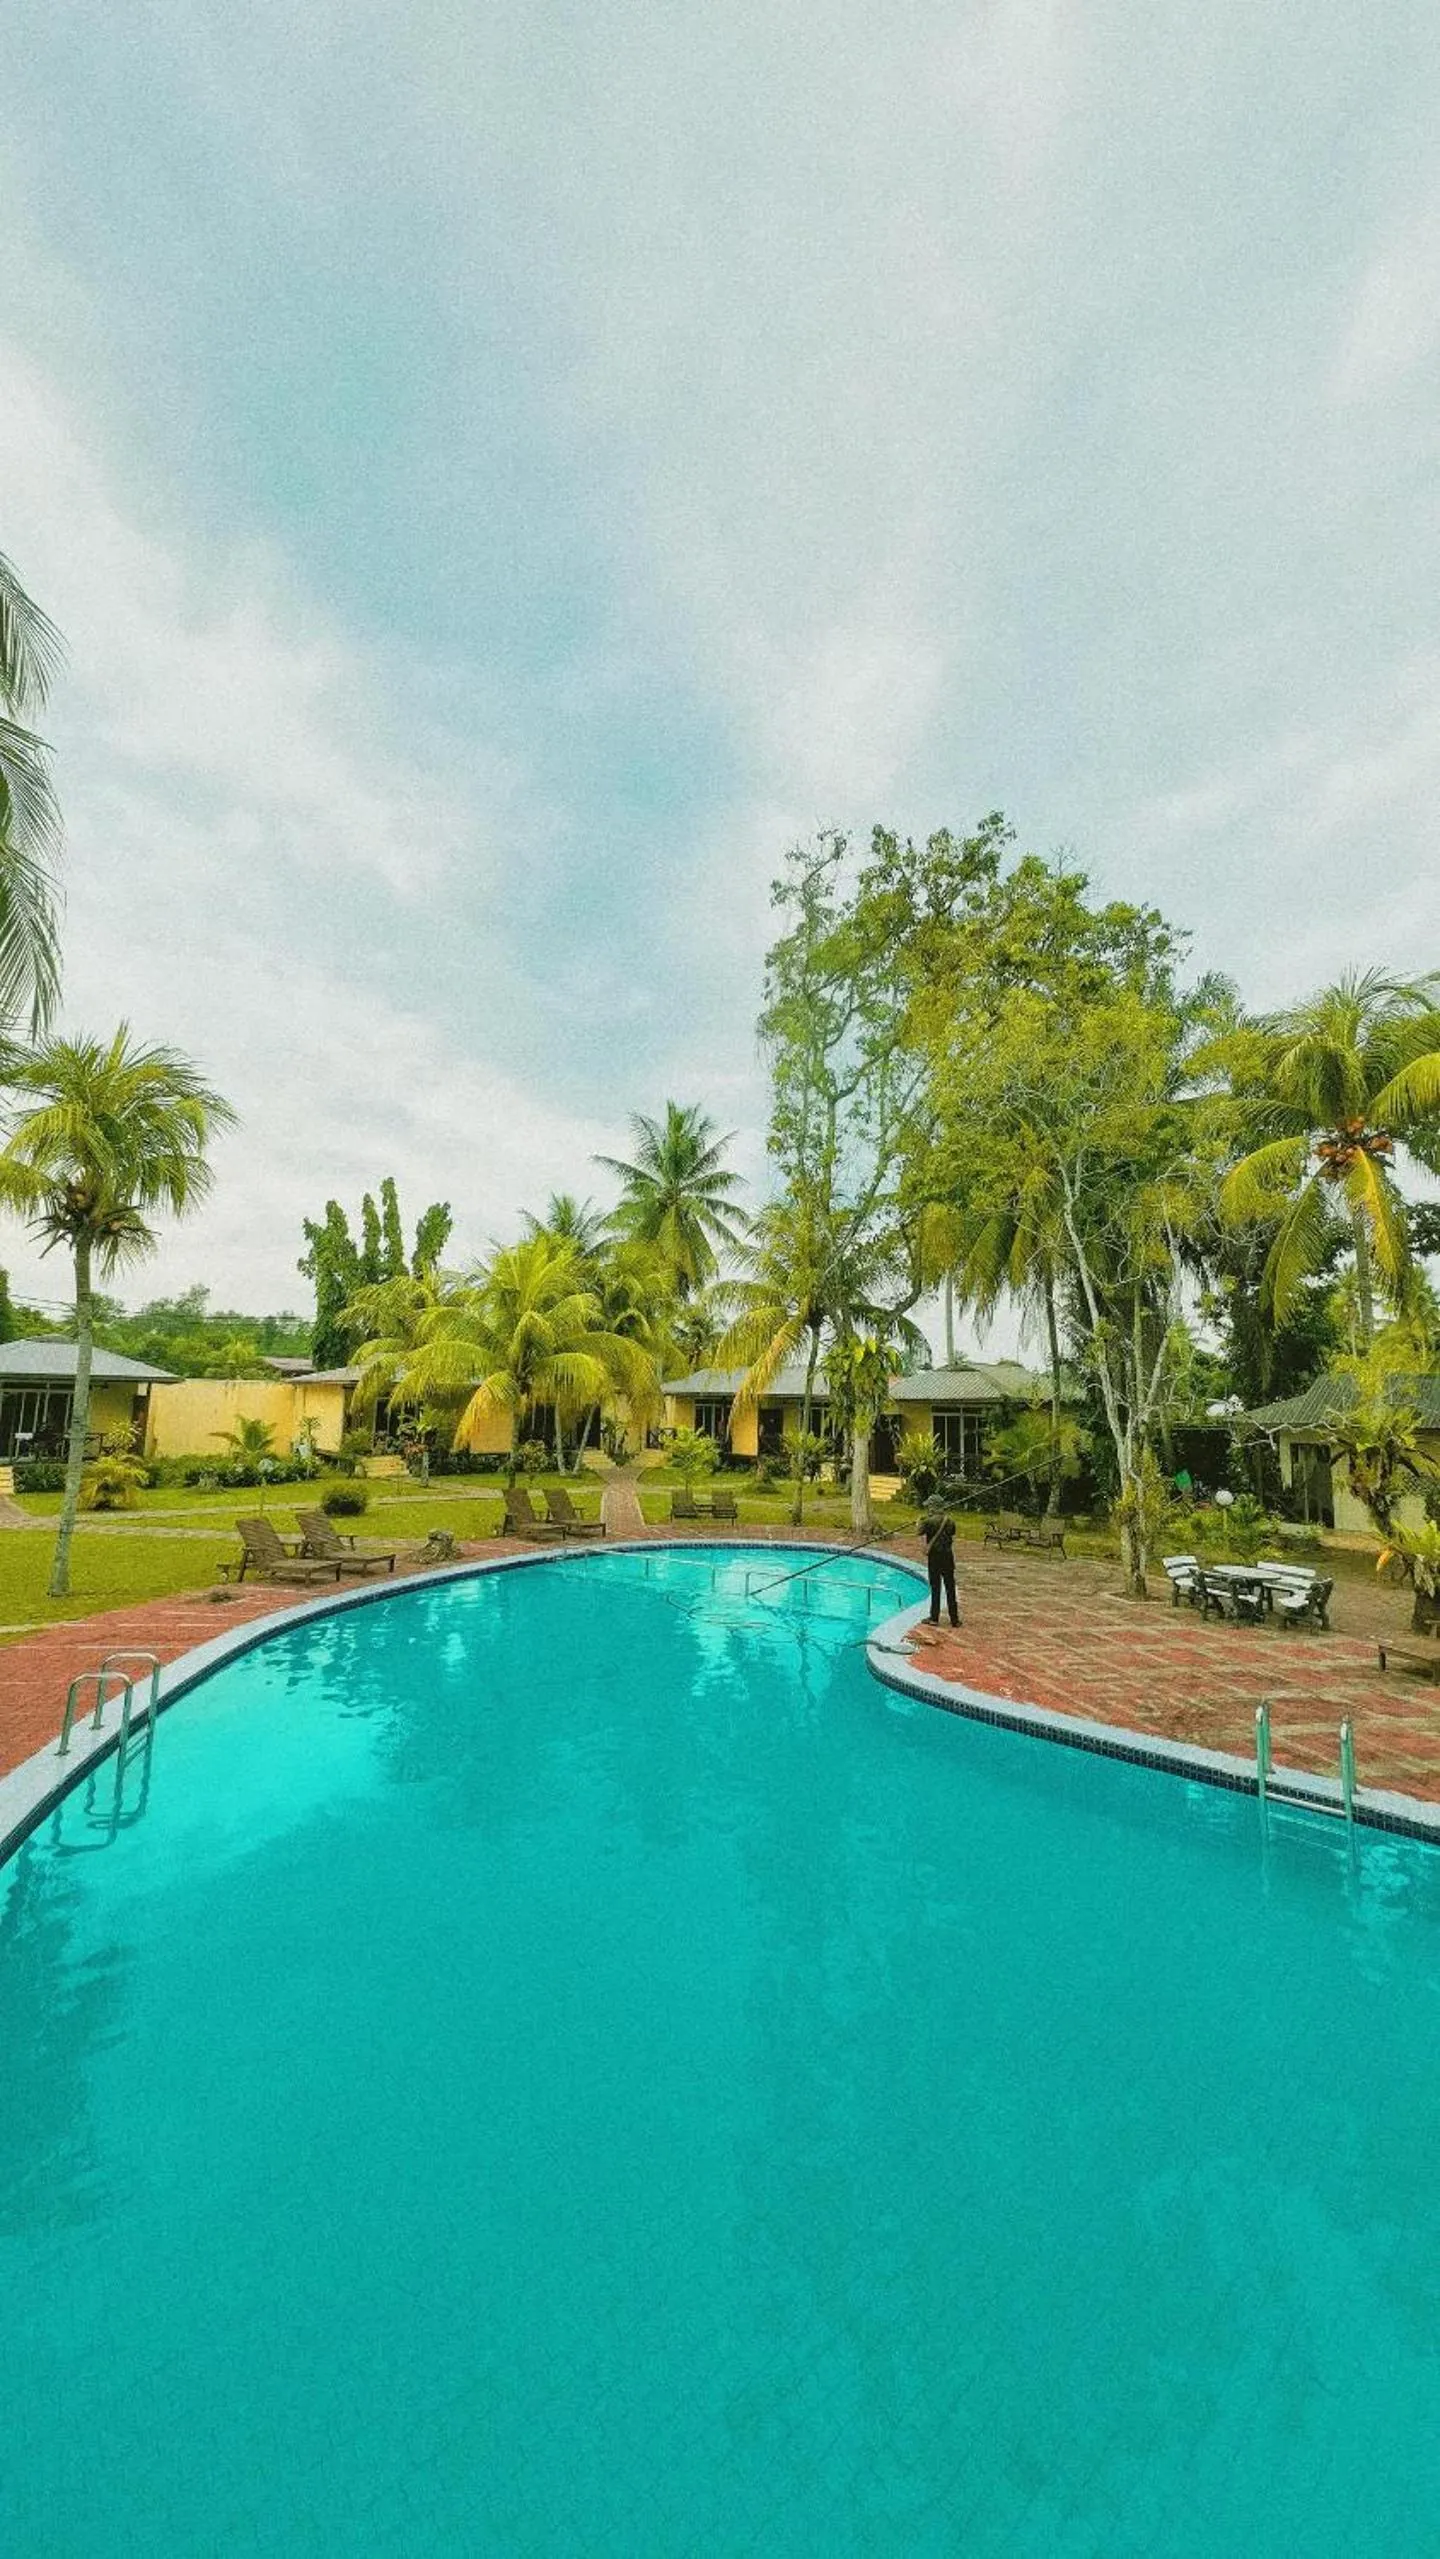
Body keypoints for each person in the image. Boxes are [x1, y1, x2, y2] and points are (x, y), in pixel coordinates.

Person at [920, 1500, 961, 1628]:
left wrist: (920, 1521)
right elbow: (952, 1533)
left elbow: (919, 1531)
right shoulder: (950, 1521)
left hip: (934, 1558)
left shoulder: (928, 1521)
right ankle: (954, 1619)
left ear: (933, 1507)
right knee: (950, 1587)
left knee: (935, 1587)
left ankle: (934, 1618)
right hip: (948, 1556)